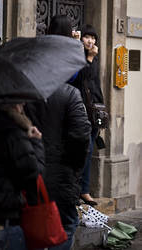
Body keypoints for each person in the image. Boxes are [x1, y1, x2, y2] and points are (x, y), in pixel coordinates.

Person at [25, 13, 91, 250]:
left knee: (31, 227)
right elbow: (82, 137)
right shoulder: (70, 93)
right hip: (61, 175)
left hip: (31, 172)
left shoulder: (22, 97)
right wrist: (73, 170)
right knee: (65, 226)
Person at [0, 103, 45, 250]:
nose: (23, 104)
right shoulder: (12, 133)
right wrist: (36, 142)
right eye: (21, 101)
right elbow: (33, 174)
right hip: (4, 221)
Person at [71, 24, 105, 206]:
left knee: (89, 150)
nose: (90, 41)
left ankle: (83, 190)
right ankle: (79, 190)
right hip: (80, 110)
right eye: (87, 37)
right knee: (83, 150)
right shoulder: (79, 57)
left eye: (93, 38)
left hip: (93, 111)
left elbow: (95, 84)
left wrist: (102, 108)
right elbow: (81, 79)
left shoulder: (94, 59)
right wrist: (89, 58)